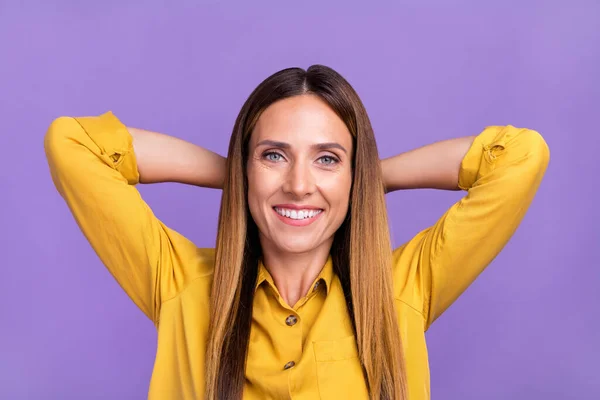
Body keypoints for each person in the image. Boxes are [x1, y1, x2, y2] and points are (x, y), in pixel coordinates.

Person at [44, 65, 549, 400]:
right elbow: (72, 143)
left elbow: (521, 155)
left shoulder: (402, 290)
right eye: (273, 155)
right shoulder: (181, 284)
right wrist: (244, 179)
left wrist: (366, 183)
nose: (300, 184)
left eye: (327, 160)